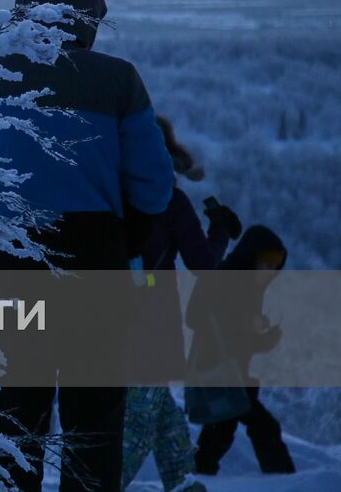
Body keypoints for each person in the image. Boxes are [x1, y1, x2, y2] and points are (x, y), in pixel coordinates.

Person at [0, 0, 177, 492]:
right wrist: (127, 236)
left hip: (17, 268)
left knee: (13, 427)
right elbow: (154, 185)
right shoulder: (118, 81)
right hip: (100, 271)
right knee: (92, 430)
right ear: (89, 16)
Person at [120, 116, 240, 491]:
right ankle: (100, 485)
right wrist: (221, 229)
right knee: (143, 414)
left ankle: (184, 483)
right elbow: (203, 263)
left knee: (159, 410)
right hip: (156, 318)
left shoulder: (109, 191)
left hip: (109, 312)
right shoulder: (169, 201)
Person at [189, 225, 295, 476]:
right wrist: (245, 321)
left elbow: (237, 340)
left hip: (231, 374)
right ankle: (283, 482)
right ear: (251, 257)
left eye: (275, 267)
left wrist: (264, 341)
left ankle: (194, 480)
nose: (270, 273)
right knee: (262, 428)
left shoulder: (250, 289)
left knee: (218, 437)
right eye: (266, 264)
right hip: (216, 371)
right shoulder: (221, 277)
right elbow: (195, 316)